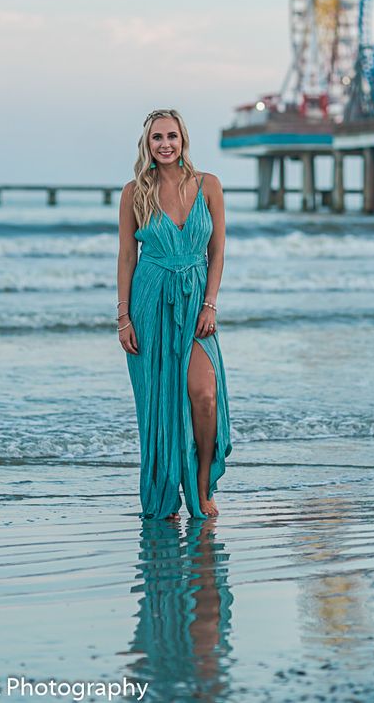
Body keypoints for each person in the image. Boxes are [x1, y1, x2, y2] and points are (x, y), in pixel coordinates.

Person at [116, 108, 232, 520]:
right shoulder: (135, 192)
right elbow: (128, 256)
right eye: (157, 138)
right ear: (147, 145)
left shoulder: (209, 186)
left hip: (197, 301)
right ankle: (166, 492)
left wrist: (210, 303)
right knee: (161, 403)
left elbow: (217, 251)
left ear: (183, 141)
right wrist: (124, 317)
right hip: (150, 300)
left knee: (204, 394)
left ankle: (201, 487)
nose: (165, 144)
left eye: (172, 136)